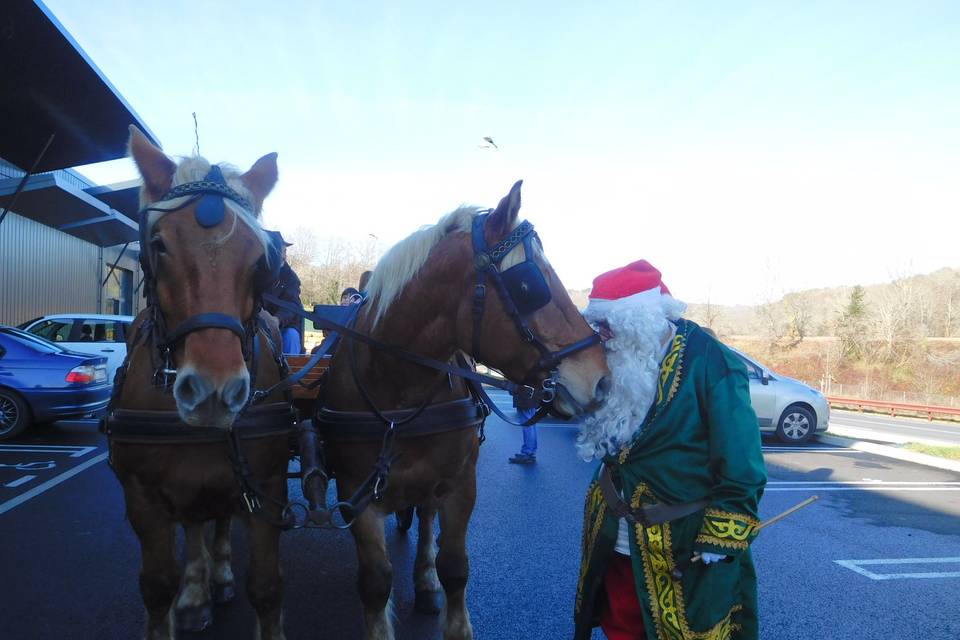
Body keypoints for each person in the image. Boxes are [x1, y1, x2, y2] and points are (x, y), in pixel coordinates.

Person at [573, 260, 767, 640]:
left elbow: (742, 465)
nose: (603, 333)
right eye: (599, 324)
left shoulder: (712, 363)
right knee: (620, 626)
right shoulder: (612, 360)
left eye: (609, 323)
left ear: (641, 318)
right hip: (615, 538)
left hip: (683, 545)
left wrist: (720, 539)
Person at [263, 231, 304, 355]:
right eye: (279, 250)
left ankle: (291, 372)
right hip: (257, 325)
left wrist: (276, 320)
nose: (283, 254)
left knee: (291, 336)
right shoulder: (255, 273)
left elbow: (292, 305)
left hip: (285, 326)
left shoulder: (291, 278)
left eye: (284, 251)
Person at [508, 399, 538, 464]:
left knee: (527, 425)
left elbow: (518, 388)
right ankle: (531, 451)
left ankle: (527, 453)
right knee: (531, 424)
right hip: (532, 396)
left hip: (525, 395)